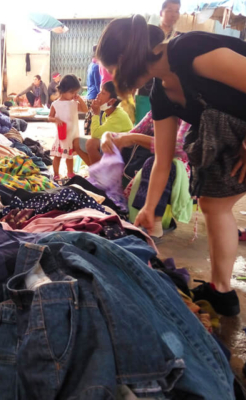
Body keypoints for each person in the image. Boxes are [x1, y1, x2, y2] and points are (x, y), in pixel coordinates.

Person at [97, 15, 246, 316]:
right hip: (233, 135)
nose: (113, 77)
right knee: (213, 206)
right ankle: (221, 291)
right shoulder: (161, 91)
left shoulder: (187, 50)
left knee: (215, 206)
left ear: (125, 58)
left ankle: (222, 290)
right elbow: (163, 159)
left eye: (112, 69)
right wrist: (149, 209)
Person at [73, 81, 132, 166]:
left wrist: (95, 114)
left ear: (111, 101)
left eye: (103, 93)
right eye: (100, 91)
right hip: (113, 148)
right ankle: (94, 171)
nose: (98, 94)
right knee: (76, 142)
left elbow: (95, 135)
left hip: (123, 154)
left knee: (91, 143)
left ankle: (100, 175)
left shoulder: (118, 116)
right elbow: (98, 134)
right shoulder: (107, 113)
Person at [49, 74, 88, 180]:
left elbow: (85, 110)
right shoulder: (55, 104)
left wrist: (79, 98)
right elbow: (50, 117)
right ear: (63, 90)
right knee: (57, 156)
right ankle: (56, 174)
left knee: (69, 156)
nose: (74, 95)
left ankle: (70, 173)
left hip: (72, 135)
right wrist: (56, 120)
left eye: (76, 92)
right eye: (72, 92)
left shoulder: (74, 103)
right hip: (62, 135)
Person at [84, 45, 101, 135]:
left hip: (90, 94)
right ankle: (91, 136)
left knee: (89, 116)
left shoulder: (91, 65)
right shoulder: (96, 67)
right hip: (94, 95)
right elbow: (98, 84)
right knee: (94, 117)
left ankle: (87, 134)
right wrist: (101, 96)